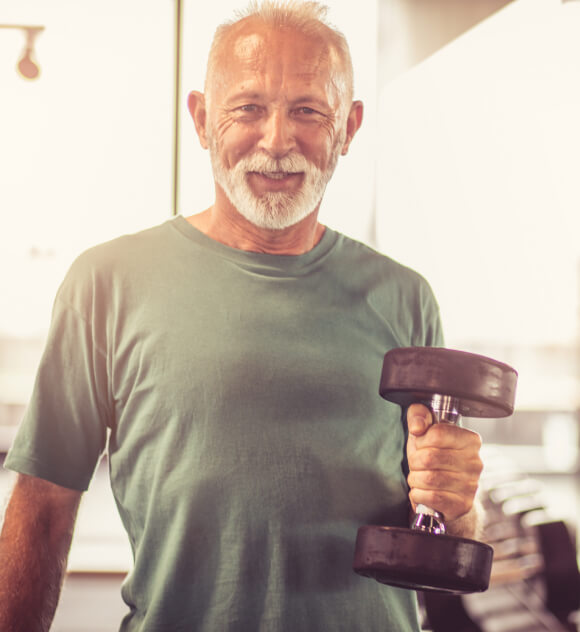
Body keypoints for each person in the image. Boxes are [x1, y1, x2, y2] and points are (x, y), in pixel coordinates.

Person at [0, 1, 484, 630]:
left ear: (349, 128)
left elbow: (441, 524)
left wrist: (460, 507)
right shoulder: (106, 283)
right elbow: (41, 507)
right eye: (248, 108)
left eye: (308, 110)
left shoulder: (407, 298)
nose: (277, 140)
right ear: (202, 119)